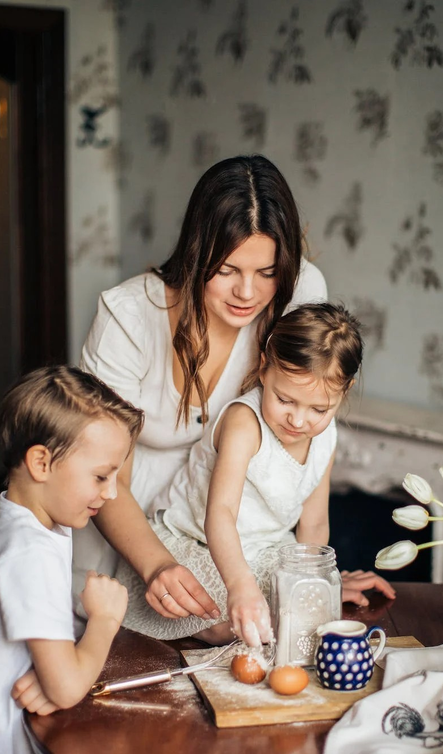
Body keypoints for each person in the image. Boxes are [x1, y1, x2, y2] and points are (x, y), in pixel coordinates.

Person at [72, 153, 393, 623]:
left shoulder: (297, 290)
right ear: (197, 253)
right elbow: (102, 474)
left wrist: (310, 579)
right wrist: (157, 563)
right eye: (227, 270)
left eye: (266, 273)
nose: (248, 293)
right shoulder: (128, 317)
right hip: (122, 526)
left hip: (236, 544)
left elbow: (309, 392)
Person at [116, 303, 395, 646]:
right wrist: (240, 587)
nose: (298, 420)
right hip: (198, 543)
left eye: (318, 409)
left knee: (303, 612)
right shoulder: (244, 424)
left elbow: (314, 523)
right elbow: (220, 515)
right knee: (233, 620)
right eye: (284, 399)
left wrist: (316, 583)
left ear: (344, 392)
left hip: (267, 551)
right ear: (264, 369)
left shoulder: (327, 436)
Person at [0, 366, 143, 754]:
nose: (110, 493)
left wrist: (52, 670)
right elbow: (66, 687)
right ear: (41, 463)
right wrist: (105, 620)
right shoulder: (26, 553)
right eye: (102, 476)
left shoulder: (31, 520)